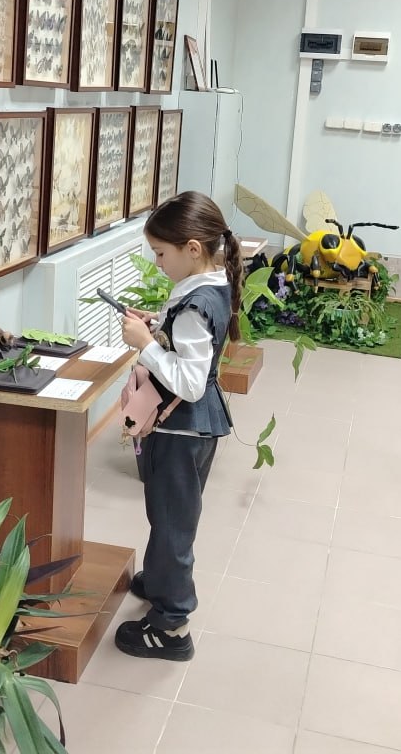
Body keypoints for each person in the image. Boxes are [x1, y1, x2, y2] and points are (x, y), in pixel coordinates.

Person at [114, 191, 242, 661]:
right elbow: (191, 349)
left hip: (181, 428)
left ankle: (172, 624)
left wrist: (147, 345)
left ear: (191, 248)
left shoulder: (194, 304)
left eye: (160, 253)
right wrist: (159, 328)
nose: (158, 262)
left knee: (172, 524)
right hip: (194, 428)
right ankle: (160, 579)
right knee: (170, 515)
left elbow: (188, 381)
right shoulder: (211, 284)